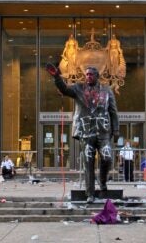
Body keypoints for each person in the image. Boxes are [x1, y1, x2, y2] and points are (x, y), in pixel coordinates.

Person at [46, 64, 119, 204]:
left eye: (91, 74)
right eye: (86, 74)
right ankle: (90, 193)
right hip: (86, 132)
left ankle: (103, 181)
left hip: (103, 131)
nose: (88, 77)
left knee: (108, 158)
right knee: (88, 163)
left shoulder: (107, 90)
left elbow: (113, 111)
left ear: (97, 76)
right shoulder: (78, 88)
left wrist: (115, 130)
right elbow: (64, 89)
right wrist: (56, 77)